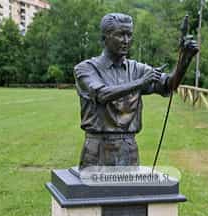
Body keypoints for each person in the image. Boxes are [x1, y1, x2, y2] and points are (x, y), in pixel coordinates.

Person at [74, 13, 198, 169]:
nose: (126, 40)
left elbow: (168, 85)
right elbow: (101, 94)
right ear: (105, 37)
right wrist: (140, 83)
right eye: (120, 35)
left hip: (129, 148)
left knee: (132, 193)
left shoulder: (137, 68)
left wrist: (184, 61)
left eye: (129, 35)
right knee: (96, 193)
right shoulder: (85, 68)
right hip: (98, 149)